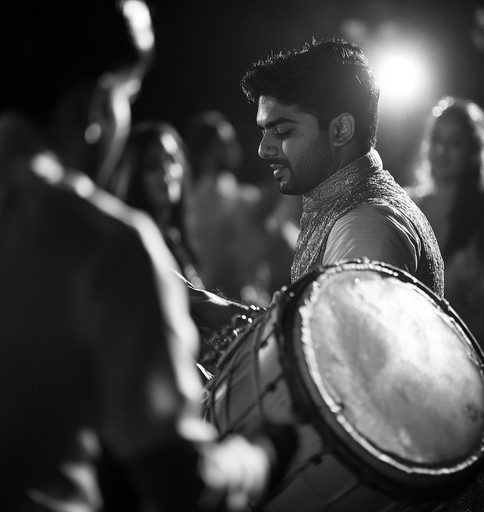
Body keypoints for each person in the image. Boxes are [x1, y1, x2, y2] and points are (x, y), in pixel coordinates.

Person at [0, 1, 296, 511]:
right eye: (129, 95)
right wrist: (266, 451)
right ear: (97, 103)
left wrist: (194, 301)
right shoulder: (105, 241)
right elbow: (181, 486)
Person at [189, 37, 484, 511]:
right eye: (264, 130)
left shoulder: (367, 224)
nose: (264, 147)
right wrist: (212, 308)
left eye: (283, 131)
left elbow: (338, 386)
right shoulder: (345, 202)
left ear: (340, 129)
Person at [408, 96, 484, 512]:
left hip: (477, 360)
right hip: (418, 360)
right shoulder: (411, 205)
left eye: (455, 143)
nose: (442, 151)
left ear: (473, 152)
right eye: (437, 141)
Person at [184, 110, 282, 306]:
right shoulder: (211, 197)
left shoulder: (199, 196)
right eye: (226, 143)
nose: (235, 148)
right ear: (207, 152)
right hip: (226, 306)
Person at [109, 120, 204, 288]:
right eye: (152, 165)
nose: (166, 171)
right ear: (135, 176)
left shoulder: (177, 234)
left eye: (172, 159)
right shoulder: (134, 243)